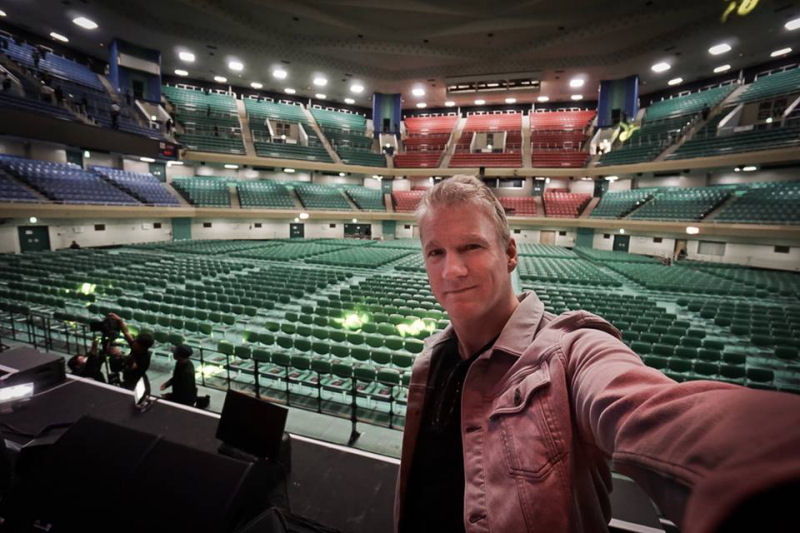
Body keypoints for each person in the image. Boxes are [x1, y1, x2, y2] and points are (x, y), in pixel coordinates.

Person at [395, 175, 800, 532]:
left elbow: (651, 410)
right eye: (436, 252)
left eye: (471, 247)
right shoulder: (431, 359)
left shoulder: (573, 349)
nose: (452, 271)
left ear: (511, 253)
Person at [107, 312, 154, 391]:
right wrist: (120, 320)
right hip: (128, 380)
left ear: (142, 347)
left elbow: (132, 366)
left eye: (136, 342)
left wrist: (119, 355)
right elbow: (126, 333)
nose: (133, 342)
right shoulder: (137, 348)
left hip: (134, 385)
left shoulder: (144, 358)